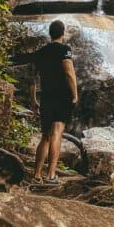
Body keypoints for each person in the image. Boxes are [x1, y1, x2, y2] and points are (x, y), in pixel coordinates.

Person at [16, 20, 78, 185]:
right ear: (62, 33)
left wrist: (33, 100)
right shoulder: (65, 50)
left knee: (45, 136)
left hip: (47, 97)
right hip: (62, 96)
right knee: (57, 132)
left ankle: (36, 175)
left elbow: (31, 79)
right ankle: (51, 175)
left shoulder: (41, 52)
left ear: (50, 33)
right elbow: (69, 73)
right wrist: (75, 95)